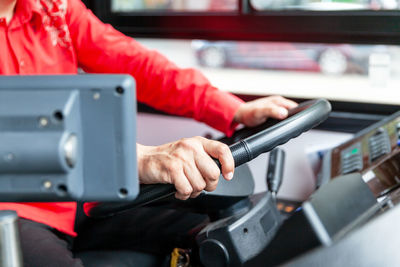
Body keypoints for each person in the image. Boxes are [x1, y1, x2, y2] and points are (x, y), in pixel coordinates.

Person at [0, 0, 297, 266]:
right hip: (11, 209)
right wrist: (133, 159)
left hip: (77, 194)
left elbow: (136, 64)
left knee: (218, 226)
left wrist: (233, 110)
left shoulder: (56, 9)